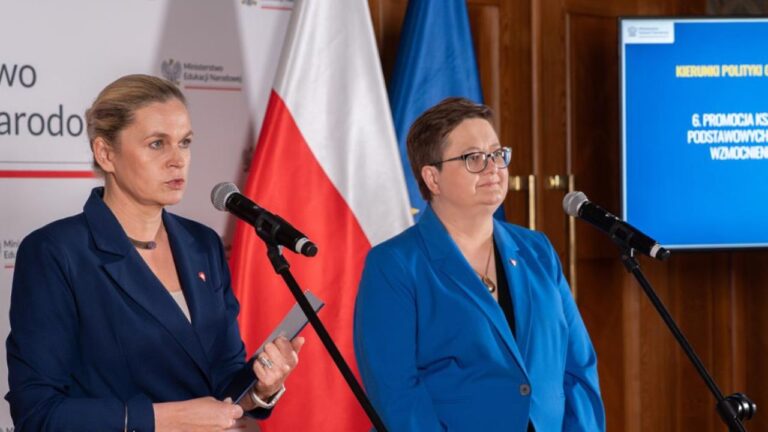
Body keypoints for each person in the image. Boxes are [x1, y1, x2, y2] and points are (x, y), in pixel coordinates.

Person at [5, 74, 303, 431]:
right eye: (157, 144)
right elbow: (37, 413)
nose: (177, 160)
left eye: (184, 142)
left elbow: (223, 382)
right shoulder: (56, 252)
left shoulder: (203, 244)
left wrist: (259, 389)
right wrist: (165, 418)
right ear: (105, 153)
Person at [354, 97, 605, 431]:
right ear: (432, 178)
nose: (493, 168)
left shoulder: (537, 251)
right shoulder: (394, 265)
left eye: (497, 154)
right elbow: (396, 394)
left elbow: (578, 368)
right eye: (474, 158)